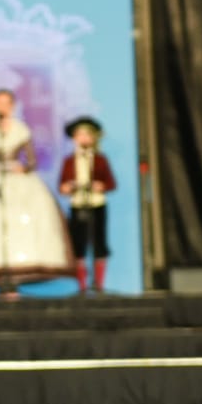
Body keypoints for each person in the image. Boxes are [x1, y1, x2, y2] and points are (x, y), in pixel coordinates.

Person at [0, 90, 73, 292]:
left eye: (6, 103)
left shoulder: (20, 129)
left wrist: (22, 168)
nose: (2, 107)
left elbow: (31, 161)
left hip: (17, 180)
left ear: (12, 106)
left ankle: (18, 273)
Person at [59, 115, 118, 293]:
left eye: (87, 135)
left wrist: (101, 186)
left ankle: (99, 285)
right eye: (80, 135)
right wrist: (68, 187)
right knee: (78, 245)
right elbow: (61, 186)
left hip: (96, 204)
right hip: (78, 205)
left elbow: (111, 183)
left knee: (99, 243)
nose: (83, 138)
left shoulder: (100, 159)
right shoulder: (69, 161)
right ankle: (82, 286)